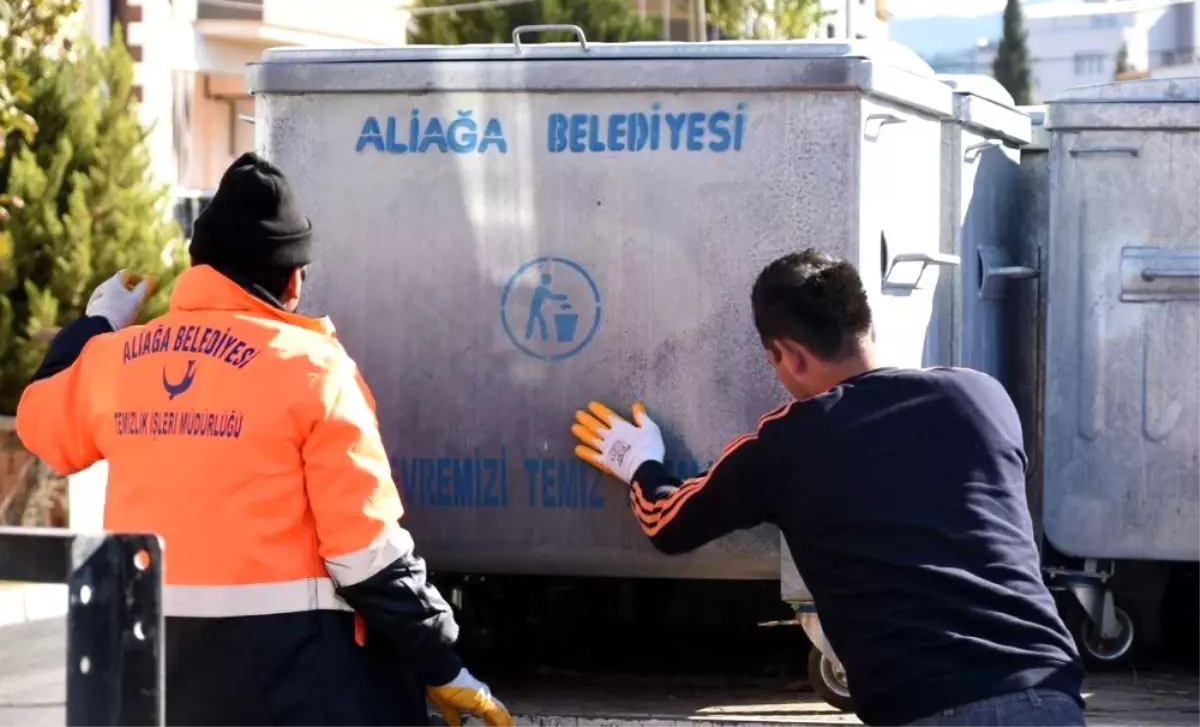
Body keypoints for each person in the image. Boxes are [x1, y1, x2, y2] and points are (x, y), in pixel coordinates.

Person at [16, 152, 512, 727]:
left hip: (155, 681)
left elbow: (40, 424)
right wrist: (442, 663)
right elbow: (365, 556)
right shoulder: (313, 370)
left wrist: (97, 324)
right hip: (293, 687)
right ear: (293, 278)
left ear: (198, 265)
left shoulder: (115, 361)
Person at [570, 249, 1086, 727]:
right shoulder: (982, 397)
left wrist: (638, 461)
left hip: (930, 704)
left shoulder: (793, 440)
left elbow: (669, 524)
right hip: (1051, 691)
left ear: (788, 355)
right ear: (868, 323)